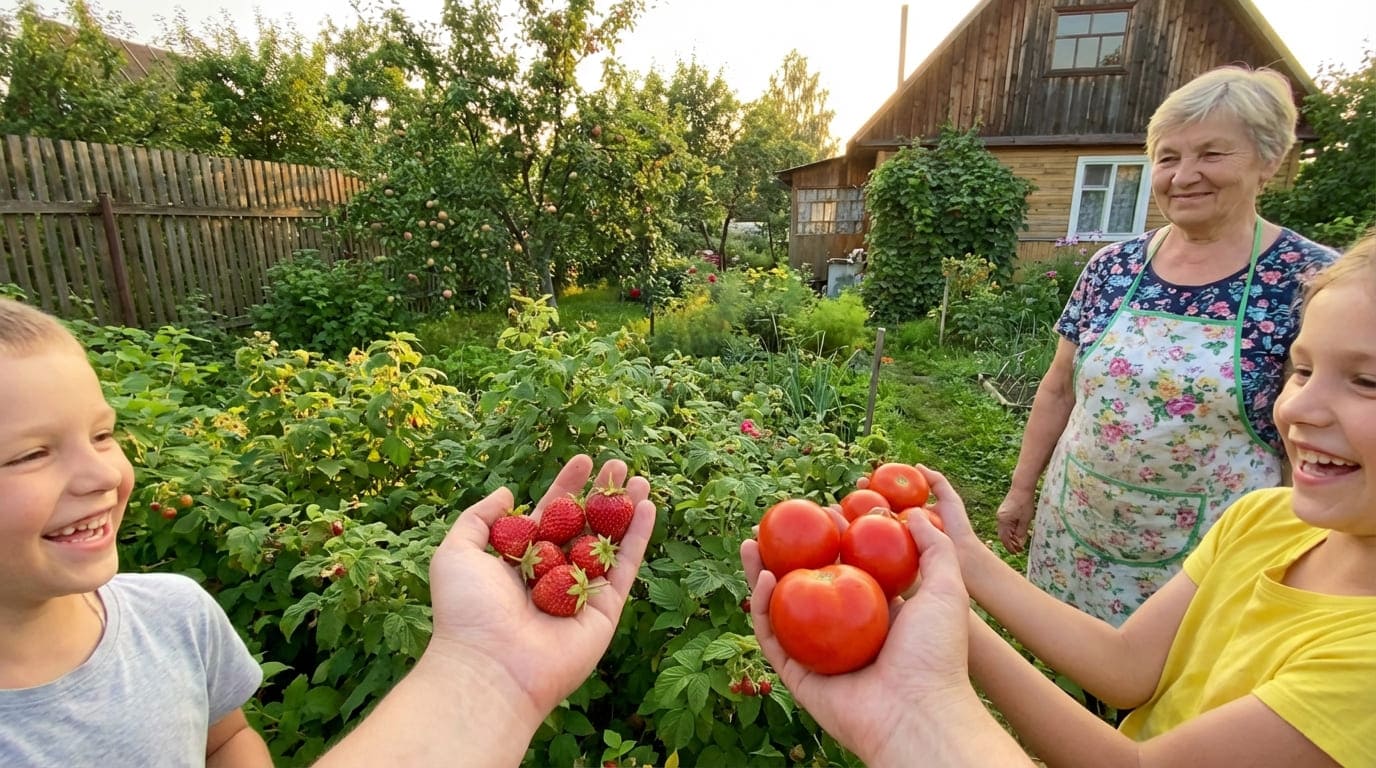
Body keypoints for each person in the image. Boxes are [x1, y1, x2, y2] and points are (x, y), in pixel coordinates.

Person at [744, 233, 1376, 766]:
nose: (1297, 407)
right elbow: (1127, 668)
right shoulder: (1262, 518)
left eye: (1366, 380)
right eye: (1300, 369)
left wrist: (928, 700)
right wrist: (949, 572)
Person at [0, 296, 657, 766]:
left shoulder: (177, 617)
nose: (100, 473)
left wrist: (488, 668)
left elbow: (225, 740)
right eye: (31, 453)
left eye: (103, 434)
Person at [996, 65, 1338, 626]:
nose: (1185, 176)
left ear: (1269, 161)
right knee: (1068, 671)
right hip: (1076, 522)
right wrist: (1020, 490)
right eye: (1168, 157)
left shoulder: (1308, 283)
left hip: (1209, 554)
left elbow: (1332, 433)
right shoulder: (1114, 265)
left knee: (1177, 695)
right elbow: (1059, 389)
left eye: (1212, 154)